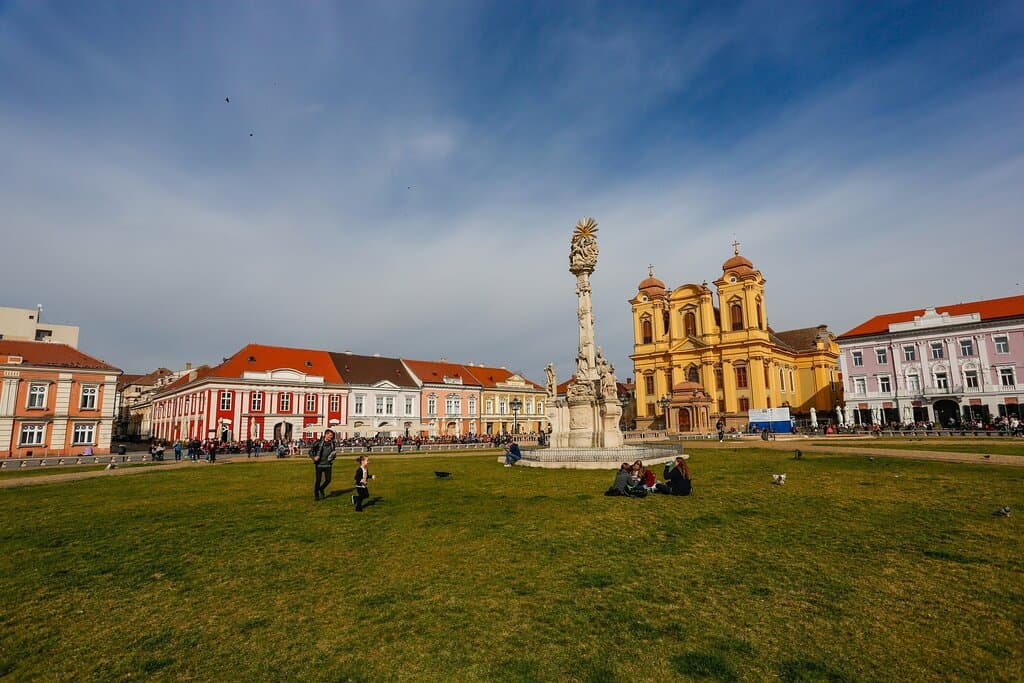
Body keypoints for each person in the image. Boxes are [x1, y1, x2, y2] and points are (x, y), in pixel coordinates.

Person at [310, 429, 337, 500]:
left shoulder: (332, 443)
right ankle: (316, 495)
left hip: (328, 464)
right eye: (330, 435)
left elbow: (333, 452)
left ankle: (321, 489)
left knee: (328, 480)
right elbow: (311, 451)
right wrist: (314, 457)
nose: (331, 437)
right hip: (319, 464)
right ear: (326, 434)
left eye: (332, 435)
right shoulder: (318, 442)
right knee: (318, 480)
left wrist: (333, 456)